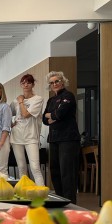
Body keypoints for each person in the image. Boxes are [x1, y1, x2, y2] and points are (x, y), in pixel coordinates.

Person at [43, 71, 81, 204]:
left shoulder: (68, 96)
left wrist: (52, 115)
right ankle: (61, 202)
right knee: (55, 172)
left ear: (63, 82)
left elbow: (60, 113)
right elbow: (44, 119)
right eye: (52, 83)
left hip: (68, 139)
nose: (54, 84)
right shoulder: (51, 100)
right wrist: (52, 115)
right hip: (54, 139)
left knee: (67, 173)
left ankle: (71, 204)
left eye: (57, 81)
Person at [10, 73, 45, 185]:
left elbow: (25, 114)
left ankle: (42, 193)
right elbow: (7, 115)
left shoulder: (38, 99)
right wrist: (11, 124)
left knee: (35, 168)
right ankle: (24, 191)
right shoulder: (14, 102)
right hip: (16, 137)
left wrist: (21, 101)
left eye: (28, 83)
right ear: (21, 85)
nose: (26, 85)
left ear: (33, 85)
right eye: (23, 83)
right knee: (21, 167)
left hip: (31, 137)